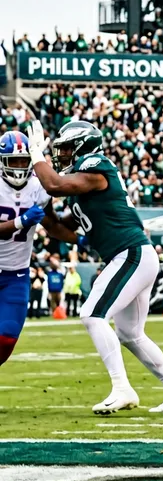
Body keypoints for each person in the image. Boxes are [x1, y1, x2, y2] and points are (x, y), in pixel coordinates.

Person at [25, 120, 163, 414]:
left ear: (82, 147)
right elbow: (61, 229)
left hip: (130, 253)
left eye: (66, 148)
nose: (61, 154)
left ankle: (122, 388)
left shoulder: (97, 166)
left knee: (92, 314)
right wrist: (43, 206)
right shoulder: (83, 186)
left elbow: (54, 184)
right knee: (130, 333)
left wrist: (36, 157)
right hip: (133, 255)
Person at [0, 132, 76, 364]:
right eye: (14, 161)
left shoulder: (39, 187)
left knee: (7, 338)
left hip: (16, 274)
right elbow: (23, 222)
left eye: (23, 161)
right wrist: (21, 221)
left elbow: (52, 225)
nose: (19, 166)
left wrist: (84, 239)